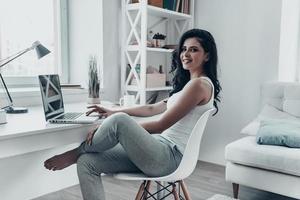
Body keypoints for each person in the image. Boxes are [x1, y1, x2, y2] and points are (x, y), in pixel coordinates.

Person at [44, 28, 221, 200]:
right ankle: (79, 156)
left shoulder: (199, 86)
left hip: (168, 159)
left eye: (194, 50)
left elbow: (161, 125)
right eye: (183, 49)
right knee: (87, 163)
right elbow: (152, 108)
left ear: (207, 55)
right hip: (156, 151)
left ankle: (74, 153)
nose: (185, 54)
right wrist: (113, 111)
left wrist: (113, 124)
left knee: (119, 122)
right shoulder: (189, 86)